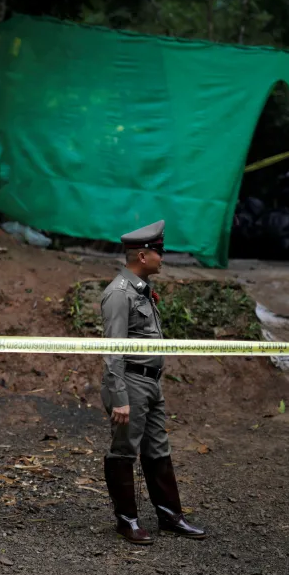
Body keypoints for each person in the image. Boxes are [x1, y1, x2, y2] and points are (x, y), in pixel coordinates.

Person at [100, 220, 205, 543]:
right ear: (143, 256)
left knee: (158, 449)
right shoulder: (119, 294)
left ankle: (170, 515)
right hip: (130, 382)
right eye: (159, 252)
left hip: (151, 383)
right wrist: (119, 396)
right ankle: (126, 519)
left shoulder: (141, 291)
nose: (163, 258)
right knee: (124, 451)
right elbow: (112, 350)